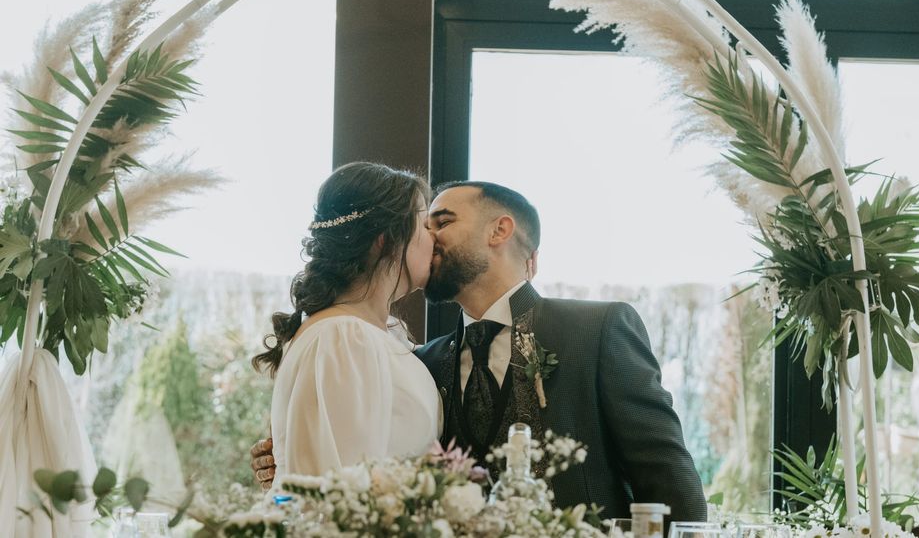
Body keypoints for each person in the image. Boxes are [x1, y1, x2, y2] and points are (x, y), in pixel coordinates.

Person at [252, 180, 706, 524]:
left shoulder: (597, 329)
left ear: (499, 230)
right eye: (423, 225)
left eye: (442, 221)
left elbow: (667, 471)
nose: (427, 236)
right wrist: (289, 456)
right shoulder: (422, 361)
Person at [253, 162, 440, 485]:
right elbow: (338, 492)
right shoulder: (342, 338)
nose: (434, 236)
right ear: (386, 240)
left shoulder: (379, 334)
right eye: (424, 223)